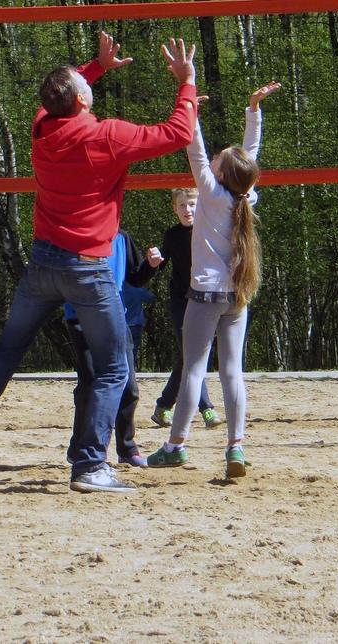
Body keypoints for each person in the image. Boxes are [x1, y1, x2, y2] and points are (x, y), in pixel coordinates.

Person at [0, 33, 198, 494]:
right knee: (115, 368)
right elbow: (177, 133)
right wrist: (186, 82)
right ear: (80, 99)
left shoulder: (42, 128)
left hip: (42, 265)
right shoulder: (107, 135)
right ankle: (90, 466)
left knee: (5, 354)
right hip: (89, 270)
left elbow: (59, 97)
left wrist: (94, 67)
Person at [148, 81, 280, 478]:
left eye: (220, 159)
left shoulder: (209, 192)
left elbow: (194, 149)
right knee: (232, 373)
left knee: (192, 370)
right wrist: (253, 111)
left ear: (220, 173)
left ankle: (175, 445)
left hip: (204, 294)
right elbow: (249, 155)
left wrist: (189, 110)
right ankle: (235, 449)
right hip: (237, 294)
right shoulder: (245, 195)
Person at [64, 230, 155, 469]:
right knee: (90, 382)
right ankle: (80, 448)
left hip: (117, 318)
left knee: (129, 386)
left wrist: (152, 265)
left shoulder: (123, 238)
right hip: (80, 316)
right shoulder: (75, 234)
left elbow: (135, 278)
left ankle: (127, 448)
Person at [145, 188, 221, 431]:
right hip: (181, 302)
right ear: (174, 209)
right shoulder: (172, 235)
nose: (187, 210)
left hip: (208, 301)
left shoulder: (212, 232)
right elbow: (161, 259)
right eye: (181, 205)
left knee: (188, 357)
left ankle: (163, 406)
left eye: (191, 204)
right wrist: (154, 258)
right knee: (192, 356)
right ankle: (206, 408)